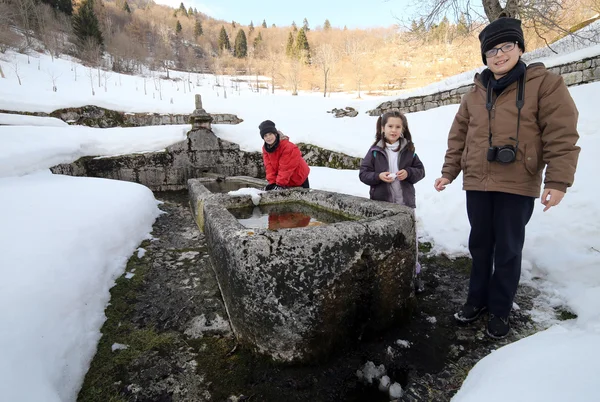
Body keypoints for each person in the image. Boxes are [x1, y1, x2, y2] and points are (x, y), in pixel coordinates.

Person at [433, 17, 580, 339]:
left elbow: (561, 135)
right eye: (491, 51)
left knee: (509, 249)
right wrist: (448, 172)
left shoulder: (545, 84)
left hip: (518, 182)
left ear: (520, 48)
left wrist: (557, 182)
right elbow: (458, 137)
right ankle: (476, 300)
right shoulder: (473, 94)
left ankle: (500, 308)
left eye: (506, 47)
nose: (499, 55)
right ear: (484, 57)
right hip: (478, 182)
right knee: (480, 245)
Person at [359, 111, 426, 293]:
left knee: (410, 239)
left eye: (398, 127)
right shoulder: (374, 152)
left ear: (403, 129)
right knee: (386, 239)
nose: (394, 130)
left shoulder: (409, 150)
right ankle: (387, 274)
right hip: (383, 204)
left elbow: (420, 170)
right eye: (390, 126)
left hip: (405, 203)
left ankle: (413, 272)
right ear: (382, 128)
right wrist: (378, 176)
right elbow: (363, 174)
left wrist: (409, 173)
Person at [259, 120, 310, 190]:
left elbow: (286, 168)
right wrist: (272, 182)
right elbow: (269, 166)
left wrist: (280, 184)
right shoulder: (266, 149)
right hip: (285, 179)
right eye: (265, 135)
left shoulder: (287, 147)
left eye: (270, 134)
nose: (268, 137)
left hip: (298, 177)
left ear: (275, 134)